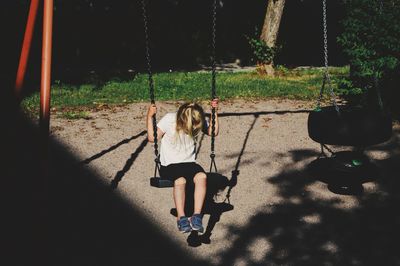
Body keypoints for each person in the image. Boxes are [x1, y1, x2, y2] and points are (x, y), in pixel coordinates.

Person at [146, 99, 219, 233]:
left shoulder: (196, 120)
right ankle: (181, 218)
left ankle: (196, 216)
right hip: (169, 165)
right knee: (181, 181)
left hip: (189, 163)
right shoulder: (169, 119)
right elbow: (152, 138)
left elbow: (212, 132)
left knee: (202, 176)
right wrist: (150, 116)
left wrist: (214, 112)